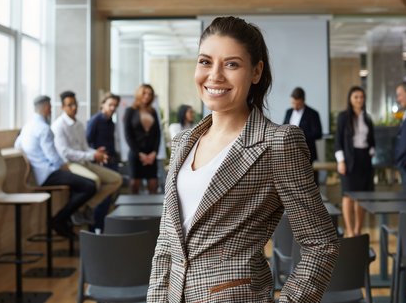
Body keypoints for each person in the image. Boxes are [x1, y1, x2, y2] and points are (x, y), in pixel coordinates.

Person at [147, 16, 338, 303]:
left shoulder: (277, 143)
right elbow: (167, 242)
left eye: (231, 64)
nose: (215, 75)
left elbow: (321, 243)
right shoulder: (184, 142)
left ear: (256, 72)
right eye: (205, 61)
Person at [15, 95, 96, 239]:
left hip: (38, 174)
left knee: (79, 184)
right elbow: (53, 157)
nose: (51, 109)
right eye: (51, 107)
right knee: (89, 186)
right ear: (47, 108)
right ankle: (59, 220)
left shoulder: (27, 126)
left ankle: (65, 219)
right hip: (48, 174)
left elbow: (18, 145)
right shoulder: (44, 128)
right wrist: (66, 168)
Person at [51, 90, 123, 231]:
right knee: (95, 181)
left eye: (75, 104)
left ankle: (88, 207)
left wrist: (96, 153)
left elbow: (85, 147)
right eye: (70, 105)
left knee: (116, 179)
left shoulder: (78, 124)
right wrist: (92, 156)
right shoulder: (58, 126)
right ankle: (78, 211)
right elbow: (66, 153)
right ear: (63, 107)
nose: (74, 107)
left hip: (85, 162)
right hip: (70, 164)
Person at [334, 86, 375, 237]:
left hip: (364, 159)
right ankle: (350, 231)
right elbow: (338, 141)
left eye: (361, 97)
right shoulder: (343, 117)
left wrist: (372, 152)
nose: (359, 100)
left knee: (362, 197)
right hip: (348, 159)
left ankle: (358, 230)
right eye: (356, 97)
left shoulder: (367, 117)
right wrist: (341, 161)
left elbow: (371, 141)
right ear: (350, 99)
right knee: (348, 196)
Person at [123, 84, 161, 194]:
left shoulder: (153, 111)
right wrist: (140, 154)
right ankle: (134, 211)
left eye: (150, 94)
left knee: (153, 184)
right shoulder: (130, 111)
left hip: (151, 154)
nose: (147, 96)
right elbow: (128, 135)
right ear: (139, 94)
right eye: (144, 93)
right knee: (135, 184)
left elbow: (157, 134)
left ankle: (153, 211)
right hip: (136, 154)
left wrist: (154, 153)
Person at [283, 87, 322, 183]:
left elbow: (318, 133)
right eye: (293, 103)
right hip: (289, 153)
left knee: (306, 182)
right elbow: (283, 127)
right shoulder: (288, 112)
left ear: (303, 101)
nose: (295, 106)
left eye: (297, 103)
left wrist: (299, 135)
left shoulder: (313, 113)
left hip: (306, 152)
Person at [86, 93, 121, 171]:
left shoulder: (111, 122)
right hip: (98, 160)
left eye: (115, 105)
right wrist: (95, 154)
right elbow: (87, 140)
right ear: (103, 104)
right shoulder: (95, 120)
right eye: (110, 105)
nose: (113, 108)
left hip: (111, 160)